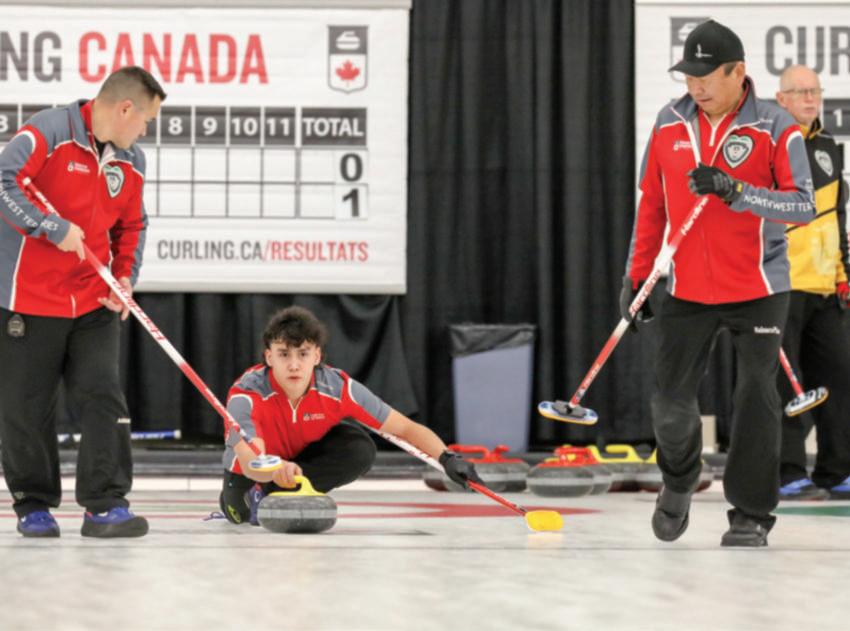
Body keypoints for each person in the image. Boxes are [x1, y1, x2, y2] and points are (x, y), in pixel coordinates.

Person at [623, 20, 815, 546]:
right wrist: (637, 275)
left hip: (759, 287)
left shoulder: (775, 126)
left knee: (755, 395)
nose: (696, 86)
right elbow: (653, 205)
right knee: (669, 402)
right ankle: (680, 477)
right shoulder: (668, 123)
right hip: (688, 288)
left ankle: (751, 513)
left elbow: (803, 205)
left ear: (738, 72)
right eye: (689, 76)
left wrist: (737, 191)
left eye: (706, 76)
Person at [0, 66, 165, 538]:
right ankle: (33, 505)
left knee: (103, 396)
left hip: (93, 301)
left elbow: (132, 225)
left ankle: (105, 504)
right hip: (28, 299)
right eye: (146, 120)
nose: (145, 131)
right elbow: (4, 183)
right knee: (26, 407)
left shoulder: (132, 160)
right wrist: (50, 227)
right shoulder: (48, 132)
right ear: (125, 108)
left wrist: (124, 277)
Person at [219, 306, 483, 524]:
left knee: (359, 448)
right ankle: (261, 495)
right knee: (241, 515)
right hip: (252, 478)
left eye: (303, 353)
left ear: (317, 355)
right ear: (269, 357)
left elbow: (404, 428)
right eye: (284, 354)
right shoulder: (245, 395)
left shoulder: (338, 388)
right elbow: (251, 459)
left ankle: (284, 493)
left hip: (298, 462)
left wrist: (447, 458)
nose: (294, 364)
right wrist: (276, 470)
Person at [774, 65, 850, 501]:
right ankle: (786, 472)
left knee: (839, 375)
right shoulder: (769, 145)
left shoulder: (828, 148)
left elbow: (837, 217)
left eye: (814, 91)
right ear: (780, 99)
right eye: (800, 91)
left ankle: (836, 470)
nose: (809, 98)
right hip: (782, 284)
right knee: (784, 384)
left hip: (825, 286)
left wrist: (843, 274)